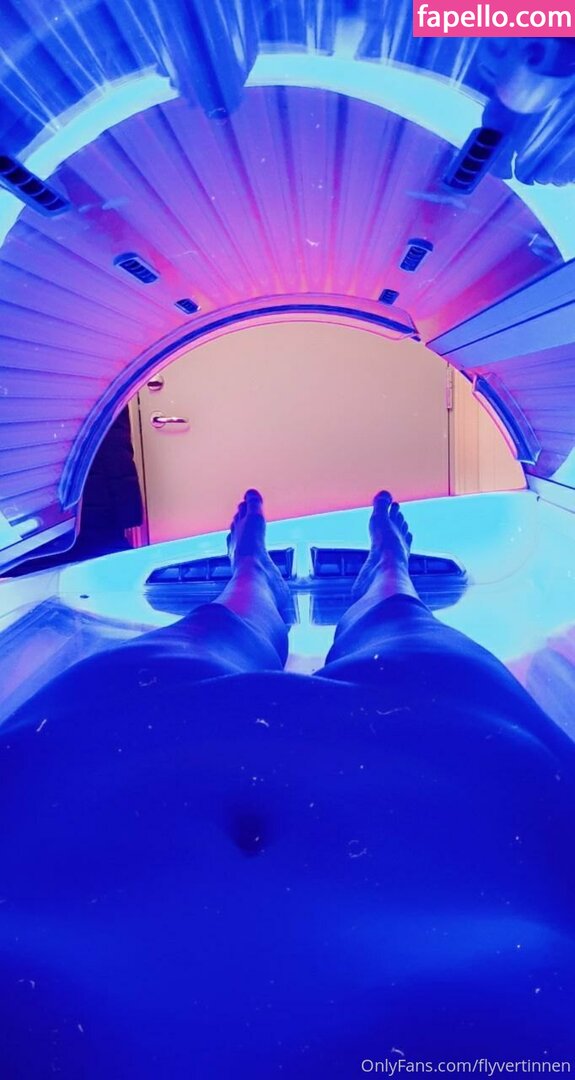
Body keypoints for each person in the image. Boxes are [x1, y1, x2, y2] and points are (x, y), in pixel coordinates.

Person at [1, 491, 575, 1077]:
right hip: (465, 760)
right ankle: (381, 571)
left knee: (211, 632)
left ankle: (258, 576)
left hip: (86, 755)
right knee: (401, 625)